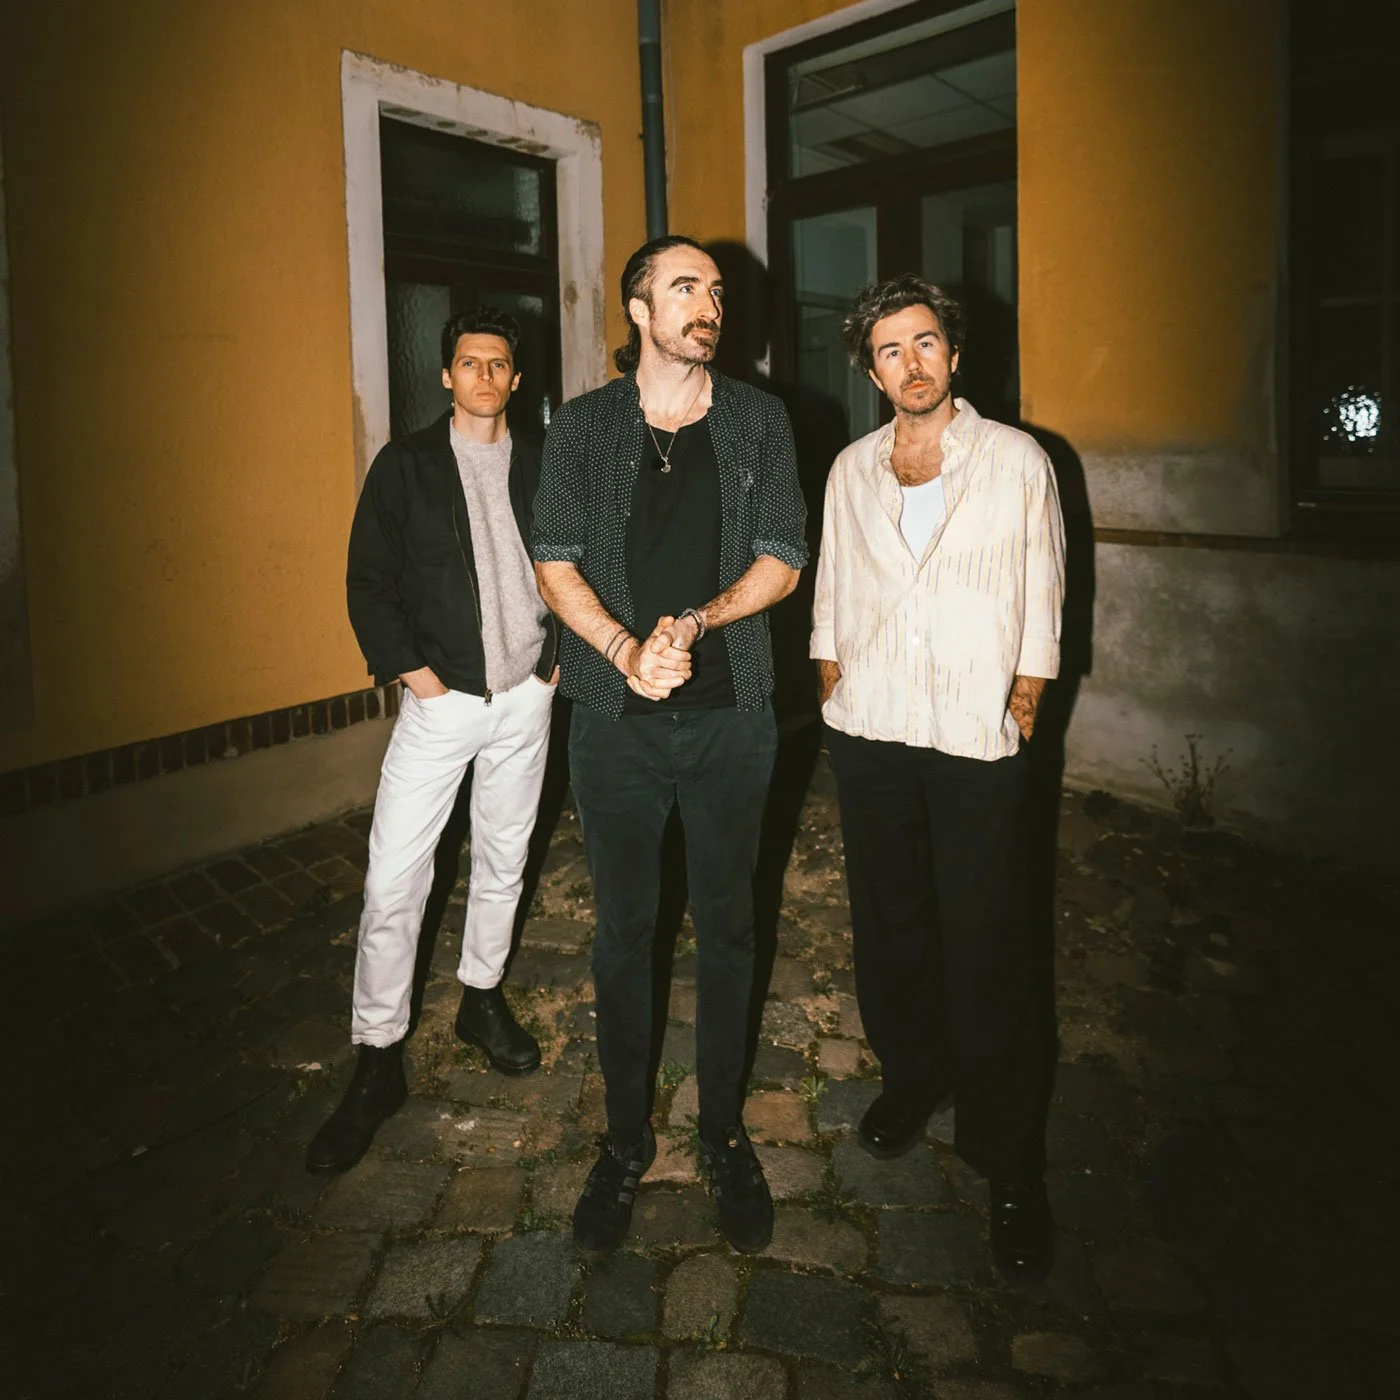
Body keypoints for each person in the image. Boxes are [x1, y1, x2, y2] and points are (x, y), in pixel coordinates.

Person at [532, 234, 807, 1256]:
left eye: (717, 290)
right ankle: (622, 1139)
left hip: (733, 715)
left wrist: (693, 625)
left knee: (730, 925)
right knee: (622, 932)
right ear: (639, 309)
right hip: (615, 722)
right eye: (685, 287)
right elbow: (554, 558)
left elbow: (783, 552)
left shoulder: (757, 419)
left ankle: (724, 1131)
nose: (710, 304)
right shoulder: (585, 425)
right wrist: (619, 647)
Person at [810, 274, 1065, 1278]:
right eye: (886, 350)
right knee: (891, 919)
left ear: (953, 356)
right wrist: (829, 668)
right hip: (870, 724)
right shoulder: (848, 468)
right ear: (868, 368)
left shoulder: (1014, 460)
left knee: (987, 938)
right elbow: (832, 578)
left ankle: (1008, 1158)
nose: (907, 364)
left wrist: (1028, 686)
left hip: (970, 727)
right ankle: (911, 1077)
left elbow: (1041, 581)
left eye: (923, 344)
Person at [307, 307, 560, 1175]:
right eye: (469, 362)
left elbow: (576, 561)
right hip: (442, 700)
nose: (485, 375)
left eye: (499, 364)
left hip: (527, 697)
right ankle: (378, 1057)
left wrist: (554, 661)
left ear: (515, 380)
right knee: (393, 880)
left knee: (504, 856)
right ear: (445, 376)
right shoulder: (408, 465)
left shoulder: (541, 460)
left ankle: (481, 999)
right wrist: (412, 672)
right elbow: (367, 580)